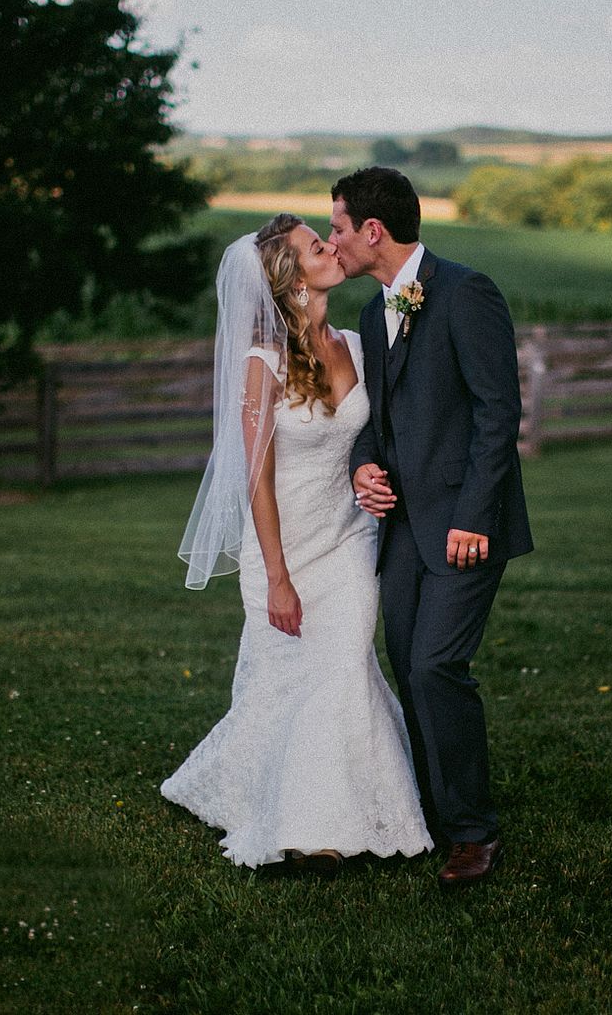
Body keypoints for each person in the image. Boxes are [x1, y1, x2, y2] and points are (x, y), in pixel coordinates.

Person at [163, 213, 433, 873]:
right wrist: (277, 576)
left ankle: (324, 828)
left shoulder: (354, 341)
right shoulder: (264, 363)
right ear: (290, 279)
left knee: (344, 664)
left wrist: (375, 477)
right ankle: (270, 796)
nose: (333, 248)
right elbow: (256, 479)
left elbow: (372, 438)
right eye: (319, 247)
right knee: (286, 686)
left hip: (348, 541)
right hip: (282, 548)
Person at [331, 167, 533, 888]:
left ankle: (476, 834)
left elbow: (496, 414)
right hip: (404, 530)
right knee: (406, 662)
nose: (334, 242)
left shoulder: (466, 292)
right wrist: (362, 468)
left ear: (373, 231)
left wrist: (475, 517)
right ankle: (436, 816)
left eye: (338, 228)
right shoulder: (370, 313)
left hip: (463, 525)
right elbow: (372, 420)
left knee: (435, 667)